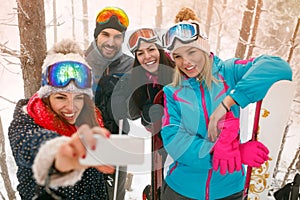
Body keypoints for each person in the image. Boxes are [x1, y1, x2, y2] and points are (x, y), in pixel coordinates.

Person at [159, 7, 293, 200]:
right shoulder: (173, 92)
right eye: (178, 56)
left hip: (229, 190)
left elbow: (278, 68)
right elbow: (174, 140)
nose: (185, 62)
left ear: (204, 48)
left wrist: (228, 102)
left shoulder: (229, 72)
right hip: (182, 190)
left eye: (191, 52)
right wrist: (231, 153)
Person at [8, 39, 114, 200]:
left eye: (78, 97)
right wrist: (58, 149)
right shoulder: (26, 121)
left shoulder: (90, 120)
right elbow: (28, 146)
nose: (71, 108)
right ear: (46, 96)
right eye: (61, 97)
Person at [85, 6, 134, 200]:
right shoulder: (80, 61)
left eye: (117, 36)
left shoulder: (130, 65)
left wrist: (125, 103)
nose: (111, 42)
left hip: (118, 138)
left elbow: (135, 110)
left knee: (114, 195)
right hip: (84, 140)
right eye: (105, 34)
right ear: (97, 34)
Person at [126, 28, 175, 199]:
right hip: (160, 142)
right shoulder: (137, 80)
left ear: (160, 49)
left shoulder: (177, 69)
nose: (147, 56)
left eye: (151, 49)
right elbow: (133, 113)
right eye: (140, 53)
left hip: (183, 138)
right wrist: (147, 118)